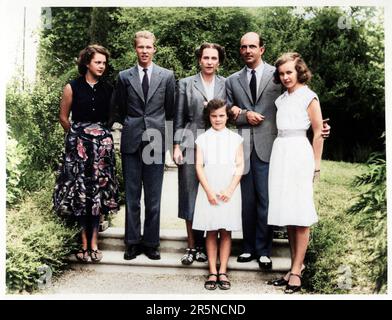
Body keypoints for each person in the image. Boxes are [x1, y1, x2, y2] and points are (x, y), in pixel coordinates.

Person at [227, 32, 330, 270]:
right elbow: (226, 109)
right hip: (244, 146)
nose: (248, 50)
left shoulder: (278, 75)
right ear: (240, 50)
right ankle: (249, 248)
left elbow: (303, 104)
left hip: (273, 148)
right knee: (248, 201)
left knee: (267, 199)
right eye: (243, 47)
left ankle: (264, 250)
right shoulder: (232, 80)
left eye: (253, 46)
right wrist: (242, 113)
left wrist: (320, 127)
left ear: (262, 49)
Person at [109, 31, 175, 261]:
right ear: (135, 49)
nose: (145, 51)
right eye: (140, 47)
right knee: (132, 196)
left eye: (148, 47)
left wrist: (168, 144)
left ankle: (151, 242)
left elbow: (170, 112)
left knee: (154, 197)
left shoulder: (167, 76)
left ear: (154, 49)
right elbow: (118, 108)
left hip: (155, 140)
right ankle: (133, 242)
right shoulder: (124, 77)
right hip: (132, 140)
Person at [53, 44, 119, 263]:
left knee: (98, 191)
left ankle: (94, 243)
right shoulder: (72, 87)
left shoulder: (109, 89)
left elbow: (111, 118)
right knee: (81, 193)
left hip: (101, 148)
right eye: (98, 62)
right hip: (79, 149)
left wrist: (101, 136)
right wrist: (77, 137)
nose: (102, 66)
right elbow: (64, 117)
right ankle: (83, 242)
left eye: (104, 63)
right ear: (87, 63)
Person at [267, 52, 323, 294]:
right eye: (281, 73)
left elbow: (319, 131)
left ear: (299, 71)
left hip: (300, 154)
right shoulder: (281, 100)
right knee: (288, 212)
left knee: (300, 212)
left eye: (289, 72)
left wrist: (316, 164)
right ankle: (292, 268)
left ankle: (298, 272)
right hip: (280, 153)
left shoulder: (309, 97)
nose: (285, 77)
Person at [173, 43, 226, 265]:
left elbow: (229, 111)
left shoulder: (226, 83)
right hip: (191, 141)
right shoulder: (186, 83)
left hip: (217, 144)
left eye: (214, 58)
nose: (209, 62)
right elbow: (179, 116)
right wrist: (176, 145)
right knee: (189, 193)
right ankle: (192, 246)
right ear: (199, 60)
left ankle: (207, 246)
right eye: (206, 58)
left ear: (219, 61)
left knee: (211, 193)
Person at [192, 99, 244, 290]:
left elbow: (240, 165)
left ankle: (223, 270)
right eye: (214, 116)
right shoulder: (203, 138)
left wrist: (230, 189)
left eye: (221, 115)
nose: (218, 119)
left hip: (228, 189)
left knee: (226, 229)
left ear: (227, 116)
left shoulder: (235, 138)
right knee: (211, 229)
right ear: (209, 117)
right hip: (209, 189)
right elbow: (199, 166)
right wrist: (208, 191)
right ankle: (212, 270)